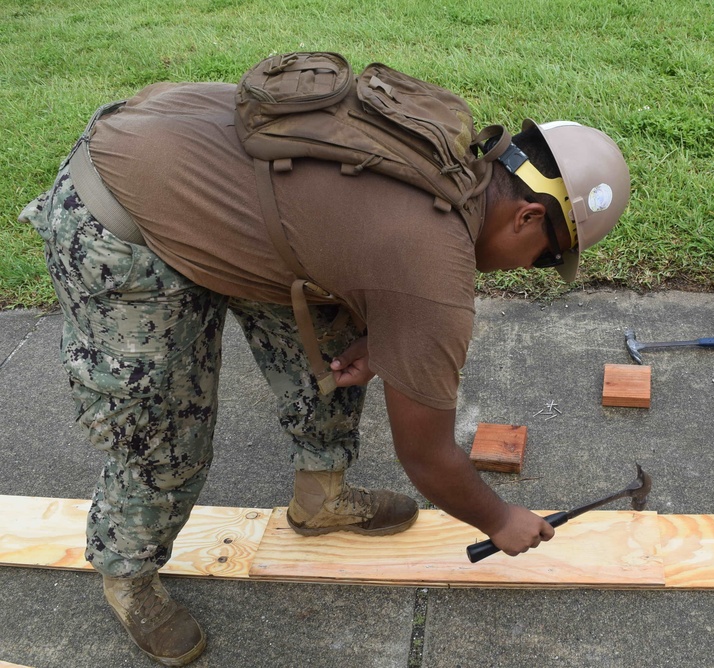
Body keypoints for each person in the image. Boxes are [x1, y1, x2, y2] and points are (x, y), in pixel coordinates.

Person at [19, 64, 630, 666]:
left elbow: (353, 234)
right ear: (526, 216)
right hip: (124, 213)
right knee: (163, 433)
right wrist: (499, 519)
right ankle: (129, 578)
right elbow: (428, 458)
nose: (532, 271)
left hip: (211, 180)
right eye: (548, 258)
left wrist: (383, 334)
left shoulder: (452, 158)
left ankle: (319, 500)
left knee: (336, 342)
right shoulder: (431, 270)